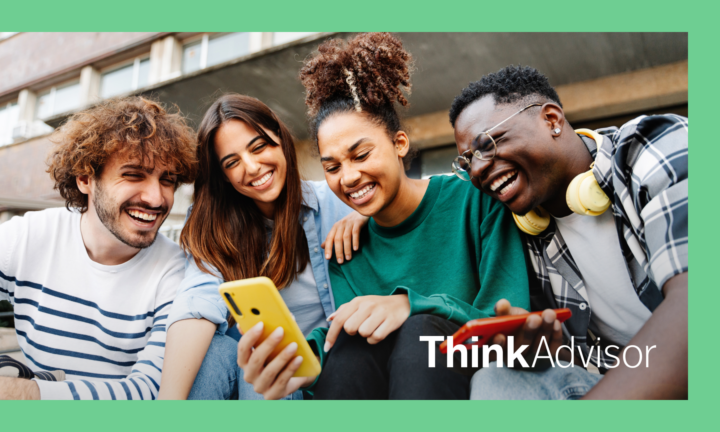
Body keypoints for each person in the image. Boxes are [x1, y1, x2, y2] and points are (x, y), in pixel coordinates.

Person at [236, 32, 530, 400]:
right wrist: (298, 357)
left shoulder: (475, 199)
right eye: (332, 166)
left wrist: (411, 305)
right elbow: (346, 338)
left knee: (419, 331)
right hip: (390, 386)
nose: (348, 177)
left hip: (478, 378)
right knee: (350, 347)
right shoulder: (346, 247)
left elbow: (510, 318)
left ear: (399, 144)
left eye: (361, 155)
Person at [448, 65, 688, 399]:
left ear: (551, 120)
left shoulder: (652, 146)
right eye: (467, 161)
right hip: (622, 385)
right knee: (501, 377)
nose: (477, 169)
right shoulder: (527, 228)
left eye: (487, 144)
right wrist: (558, 352)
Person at [0, 97, 197, 400]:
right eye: (133, 174)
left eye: (167, 180)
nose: (156, 198)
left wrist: (13, 393)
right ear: (85, 179)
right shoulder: (27, 237)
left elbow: (150, 394)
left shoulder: (178, 272)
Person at [158, 94, 366, 400]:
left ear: (280, 140)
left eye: (259, 147)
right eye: (232, 162)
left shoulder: (337, 201)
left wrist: (369, 215)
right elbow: (197, 301)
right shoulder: (215, 225)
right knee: (225, 348)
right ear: (224, 177)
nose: (252, 167)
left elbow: (411, 194)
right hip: (258, 380)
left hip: (328, 373)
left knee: (271, 354)